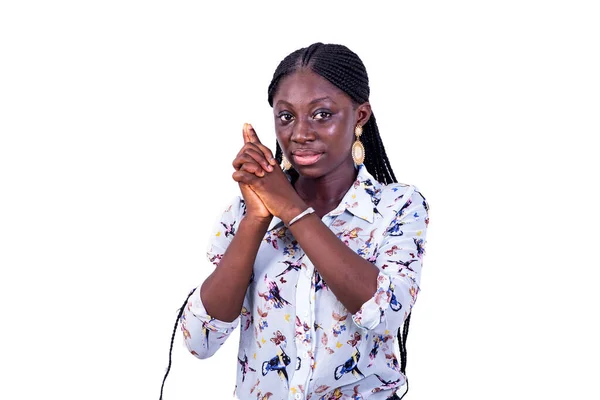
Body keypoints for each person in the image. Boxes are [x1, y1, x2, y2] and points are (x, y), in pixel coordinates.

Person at [161, 43, 429, 400]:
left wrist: (292, 210)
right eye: (286, 116)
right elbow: (200, 341)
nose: (300, 133)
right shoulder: (243, 213)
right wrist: (257, 219)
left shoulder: (397, 207)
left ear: (360, 115)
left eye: (322, 114)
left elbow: (384, 313)